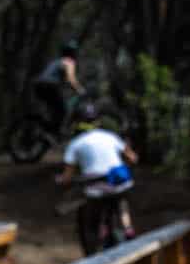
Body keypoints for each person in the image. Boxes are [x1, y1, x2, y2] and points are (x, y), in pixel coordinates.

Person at [56, 102, 138, 243]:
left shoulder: (75, 144)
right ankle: (128, 227)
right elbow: (133, 158)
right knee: (121, 200)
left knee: (93, 210)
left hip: (95, 188)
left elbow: (67, 176)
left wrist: (61, 180)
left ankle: (99, 232)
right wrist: (123, 166)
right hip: (119, 181)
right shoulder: (110, 136)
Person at [31, 39, 85, 133]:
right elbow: (70, 79)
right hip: (50, 86)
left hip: (38, 85)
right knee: (63, 111)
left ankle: (44, 129)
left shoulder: (57, 61)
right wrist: (80, 90)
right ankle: (52, 131)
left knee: (53, 109)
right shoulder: (69, 62)